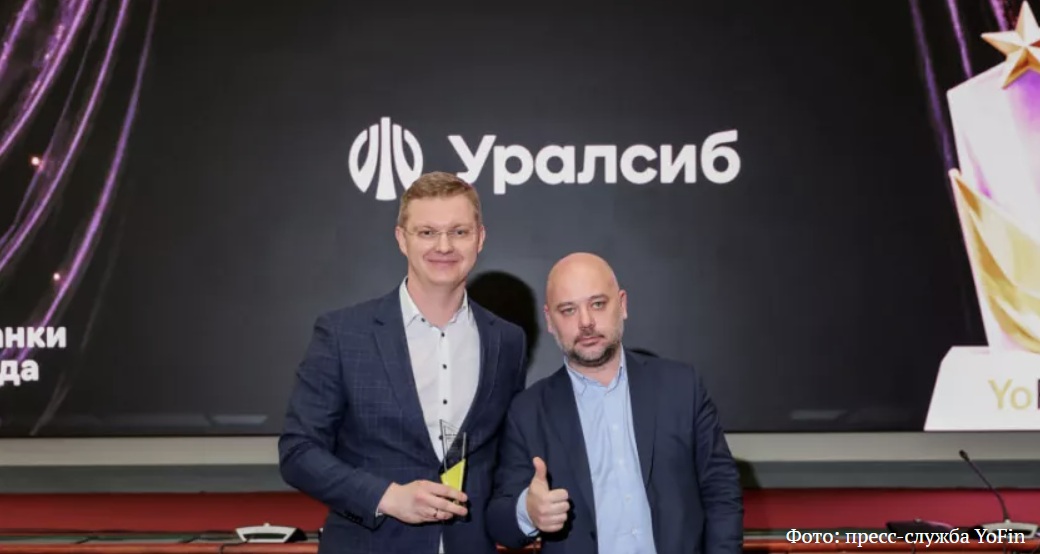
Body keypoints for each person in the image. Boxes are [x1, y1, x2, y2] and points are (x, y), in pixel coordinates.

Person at [279, 172, 528, 554]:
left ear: (479, 238)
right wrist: (387, 497)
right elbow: (298, 452)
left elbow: (505, 461)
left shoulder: (507, 341)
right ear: (401, 239)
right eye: (427, 232)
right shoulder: (344, 334)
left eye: (459, 232)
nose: (444, 246)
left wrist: (527, 508)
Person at [485, 252, 744, 554]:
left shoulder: (682, 387)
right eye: (568, 310)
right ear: (550, 321)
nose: (585, 322)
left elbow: (721, 490)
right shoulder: (528, 412)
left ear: (622, 305)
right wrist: (528, 512)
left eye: (597, 304)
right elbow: (499, 520)